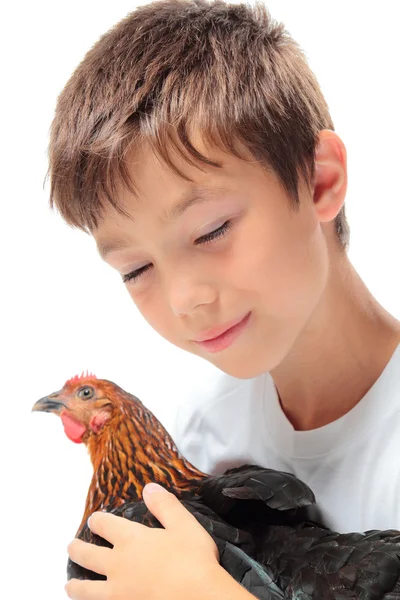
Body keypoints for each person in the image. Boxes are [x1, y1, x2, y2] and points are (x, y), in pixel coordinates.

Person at [47, 1, 400, 598]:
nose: (185, 299)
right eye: (136, 269)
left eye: (211, 232)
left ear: (319, 182)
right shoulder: (202, 435)